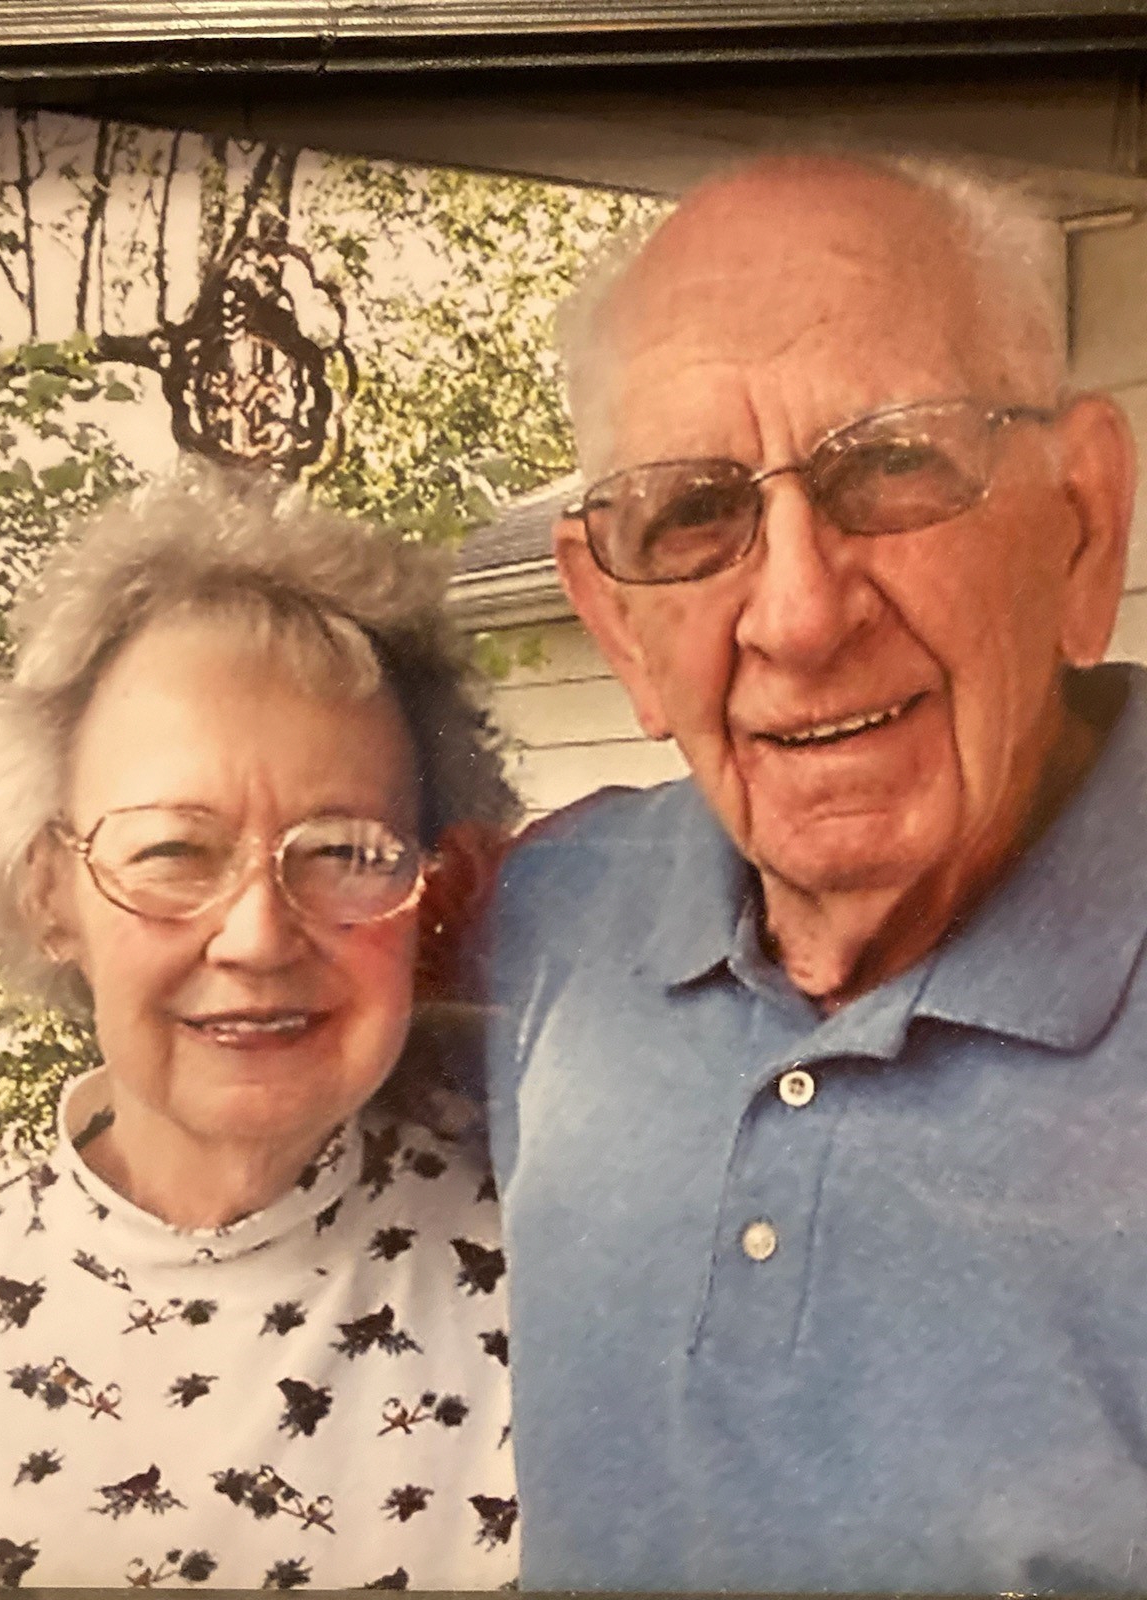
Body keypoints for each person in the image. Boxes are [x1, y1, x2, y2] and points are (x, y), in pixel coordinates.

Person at [483, 150, 1147, 1593]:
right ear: (617, 625)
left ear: (1081, 523)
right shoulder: (546, 920)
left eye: (893, 464)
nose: (797, 613)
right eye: (691, 513)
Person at [0, 469, 519, 1590]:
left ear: (428, 890)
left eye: (343, 851)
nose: (256, 935)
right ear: (50, 893)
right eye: (172, 851)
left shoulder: (563, 1281)